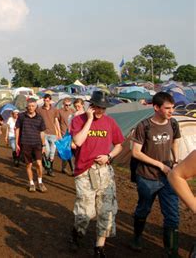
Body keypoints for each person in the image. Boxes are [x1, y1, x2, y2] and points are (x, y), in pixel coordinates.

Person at [69, 91, 124, 257]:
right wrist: (90, 120)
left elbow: (119, 144)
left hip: (104, 171)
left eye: (104, 108)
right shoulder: (79, 120)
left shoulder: (110, 122)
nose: (101, 111)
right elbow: (77, 141)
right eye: (98, 107)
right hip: (85, 171)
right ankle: (77, 233)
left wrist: (109, 156)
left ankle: (99, 247)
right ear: (91, 106)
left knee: (107, 210)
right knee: (86, 212)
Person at [130, 92, 181, 256]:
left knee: (172, 215)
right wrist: (159, 164)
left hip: (168, 177)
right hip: (147, 177)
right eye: (167, 108)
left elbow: (175, 141)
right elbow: (136, 153)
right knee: (143, 209)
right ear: (156, 107)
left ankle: (170, 252)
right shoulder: (144, 126)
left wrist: (177, 161)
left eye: (172, 107)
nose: (171, 111)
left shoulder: (173, 123)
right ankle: (137, 237)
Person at [15, 101, 47, 192]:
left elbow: (42, 132)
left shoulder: (40, 117)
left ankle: (40, 182)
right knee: (29, 164)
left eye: (33, 106)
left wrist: (44, 144)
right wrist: (17, 143)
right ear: (27, 107)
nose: (30, 107)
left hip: (37, 144)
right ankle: (31, 183)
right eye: (29, 106)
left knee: (39, 164)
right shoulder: (21, 116)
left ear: (35, 107)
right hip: (25, 143)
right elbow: (17, 129)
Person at [37, 94, 62, 176]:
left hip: (53, 134)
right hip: (44, 133)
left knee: (52, 152)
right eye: (45, 100)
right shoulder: (39, 110)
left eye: (48, 100)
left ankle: (50, 168)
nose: (46, 102)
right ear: (43, 100)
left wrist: (59, 133)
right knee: (47, 151)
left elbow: (56, 122)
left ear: (50, 101)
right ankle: (47, 167)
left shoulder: (54, 110)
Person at [58, 97, 75, 176]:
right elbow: (56, 123)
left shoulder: (72, 111)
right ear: (63, 105)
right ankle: (72, 169)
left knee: (68, 152)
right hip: (63, 134)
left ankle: (64, 168)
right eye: (66, 105)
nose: (67, 106)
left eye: (69, 105)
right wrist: (58, 133)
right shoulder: (60, 112)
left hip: (71, 134)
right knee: (66, 152)